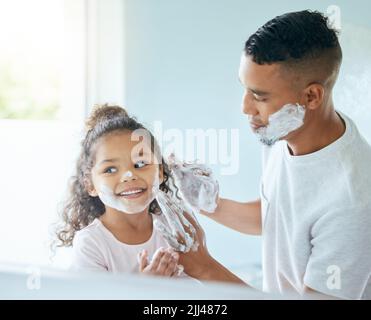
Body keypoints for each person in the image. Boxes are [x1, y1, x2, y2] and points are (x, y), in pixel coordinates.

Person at [177, 10, 371, 299]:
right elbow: (275, 217)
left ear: (311, 97)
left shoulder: (353, 202)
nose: (245, 108)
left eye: (259, 96)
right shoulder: (285, 131)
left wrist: (206, 269)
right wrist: (204, 202)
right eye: (245, 89)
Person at [56, 104, 185, 278]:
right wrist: (143, 288)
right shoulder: (91, 243)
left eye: (140, 164)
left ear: (160, 172)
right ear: (90, 185)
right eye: (110, 170)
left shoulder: (173, 230)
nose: (129, 176)